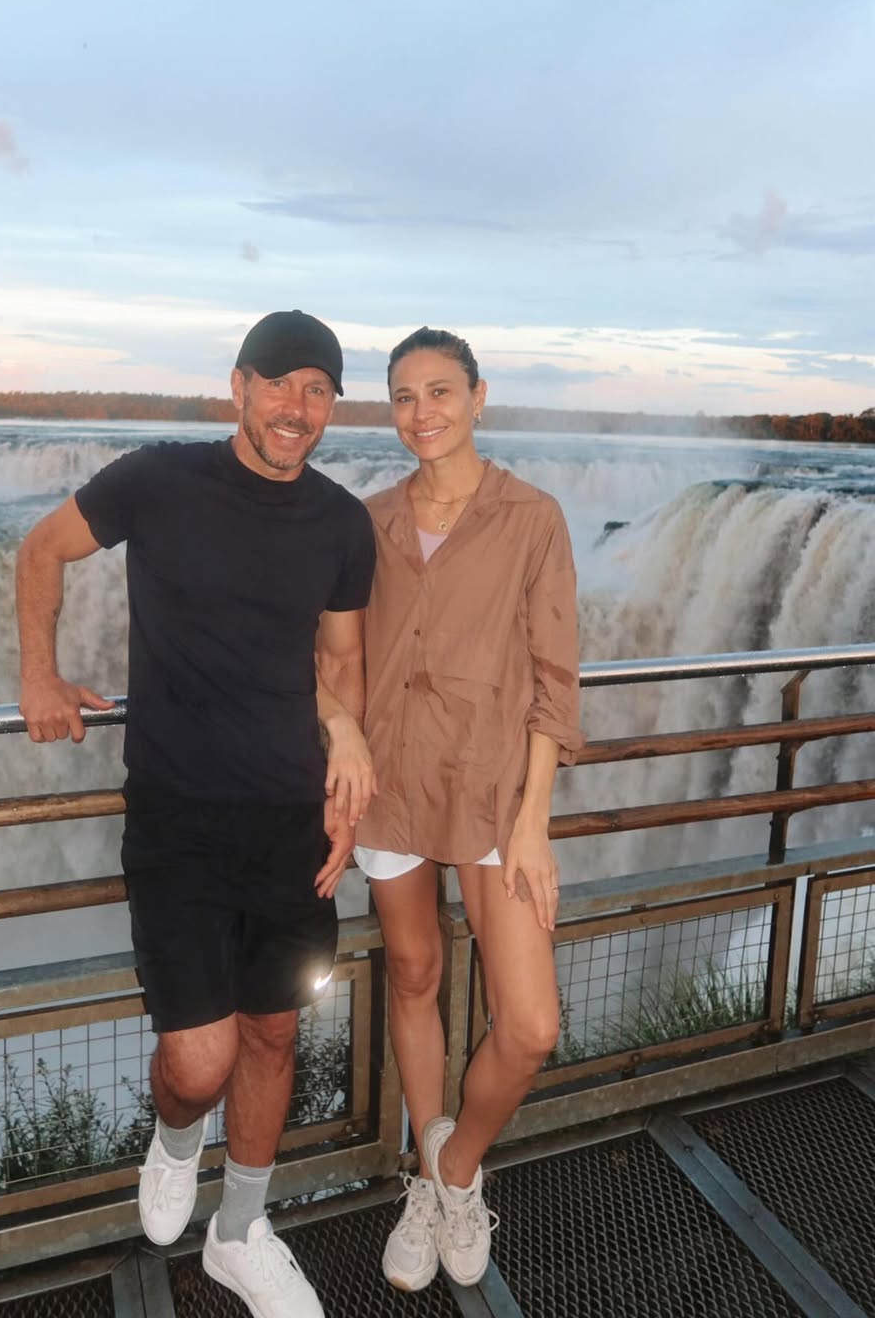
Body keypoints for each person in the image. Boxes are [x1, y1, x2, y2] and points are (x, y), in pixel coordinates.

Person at [15, 310, 376, 1318]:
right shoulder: (158, 481)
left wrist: (347, 766)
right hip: (176, 818)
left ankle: (240, 1230)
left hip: (292, 825)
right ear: (239, 388)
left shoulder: (344, 525)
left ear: (330, 406)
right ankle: (175, 1139)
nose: (296, 408)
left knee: (272, 1036)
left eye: (317, 390)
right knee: (201, 1058)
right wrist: (40, 673)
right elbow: (41, 551)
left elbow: (340, 668)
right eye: (278, 385)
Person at [332, 326, 583, 1292]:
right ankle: (419, 1184)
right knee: (415, 971)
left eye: (441, 391)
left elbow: (555, 675)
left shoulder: (533, 517)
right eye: (403, 396)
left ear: (480, 396)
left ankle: (455, 1167)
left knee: (528, 1026)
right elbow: (335, 659)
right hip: (389, 783)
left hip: (491, 793)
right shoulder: (368, 521)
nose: (423, 412)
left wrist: (533, 823)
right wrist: (337, 740)